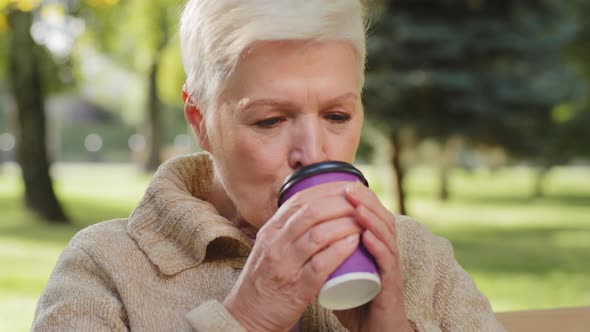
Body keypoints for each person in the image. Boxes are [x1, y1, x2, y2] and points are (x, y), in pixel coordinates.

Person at [33, 0, 506, 331]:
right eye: (270, 120)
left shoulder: (418, 258)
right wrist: (246, 320)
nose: (313, 151)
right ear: (200, 121)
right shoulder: (106, 269)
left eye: (337, 115)